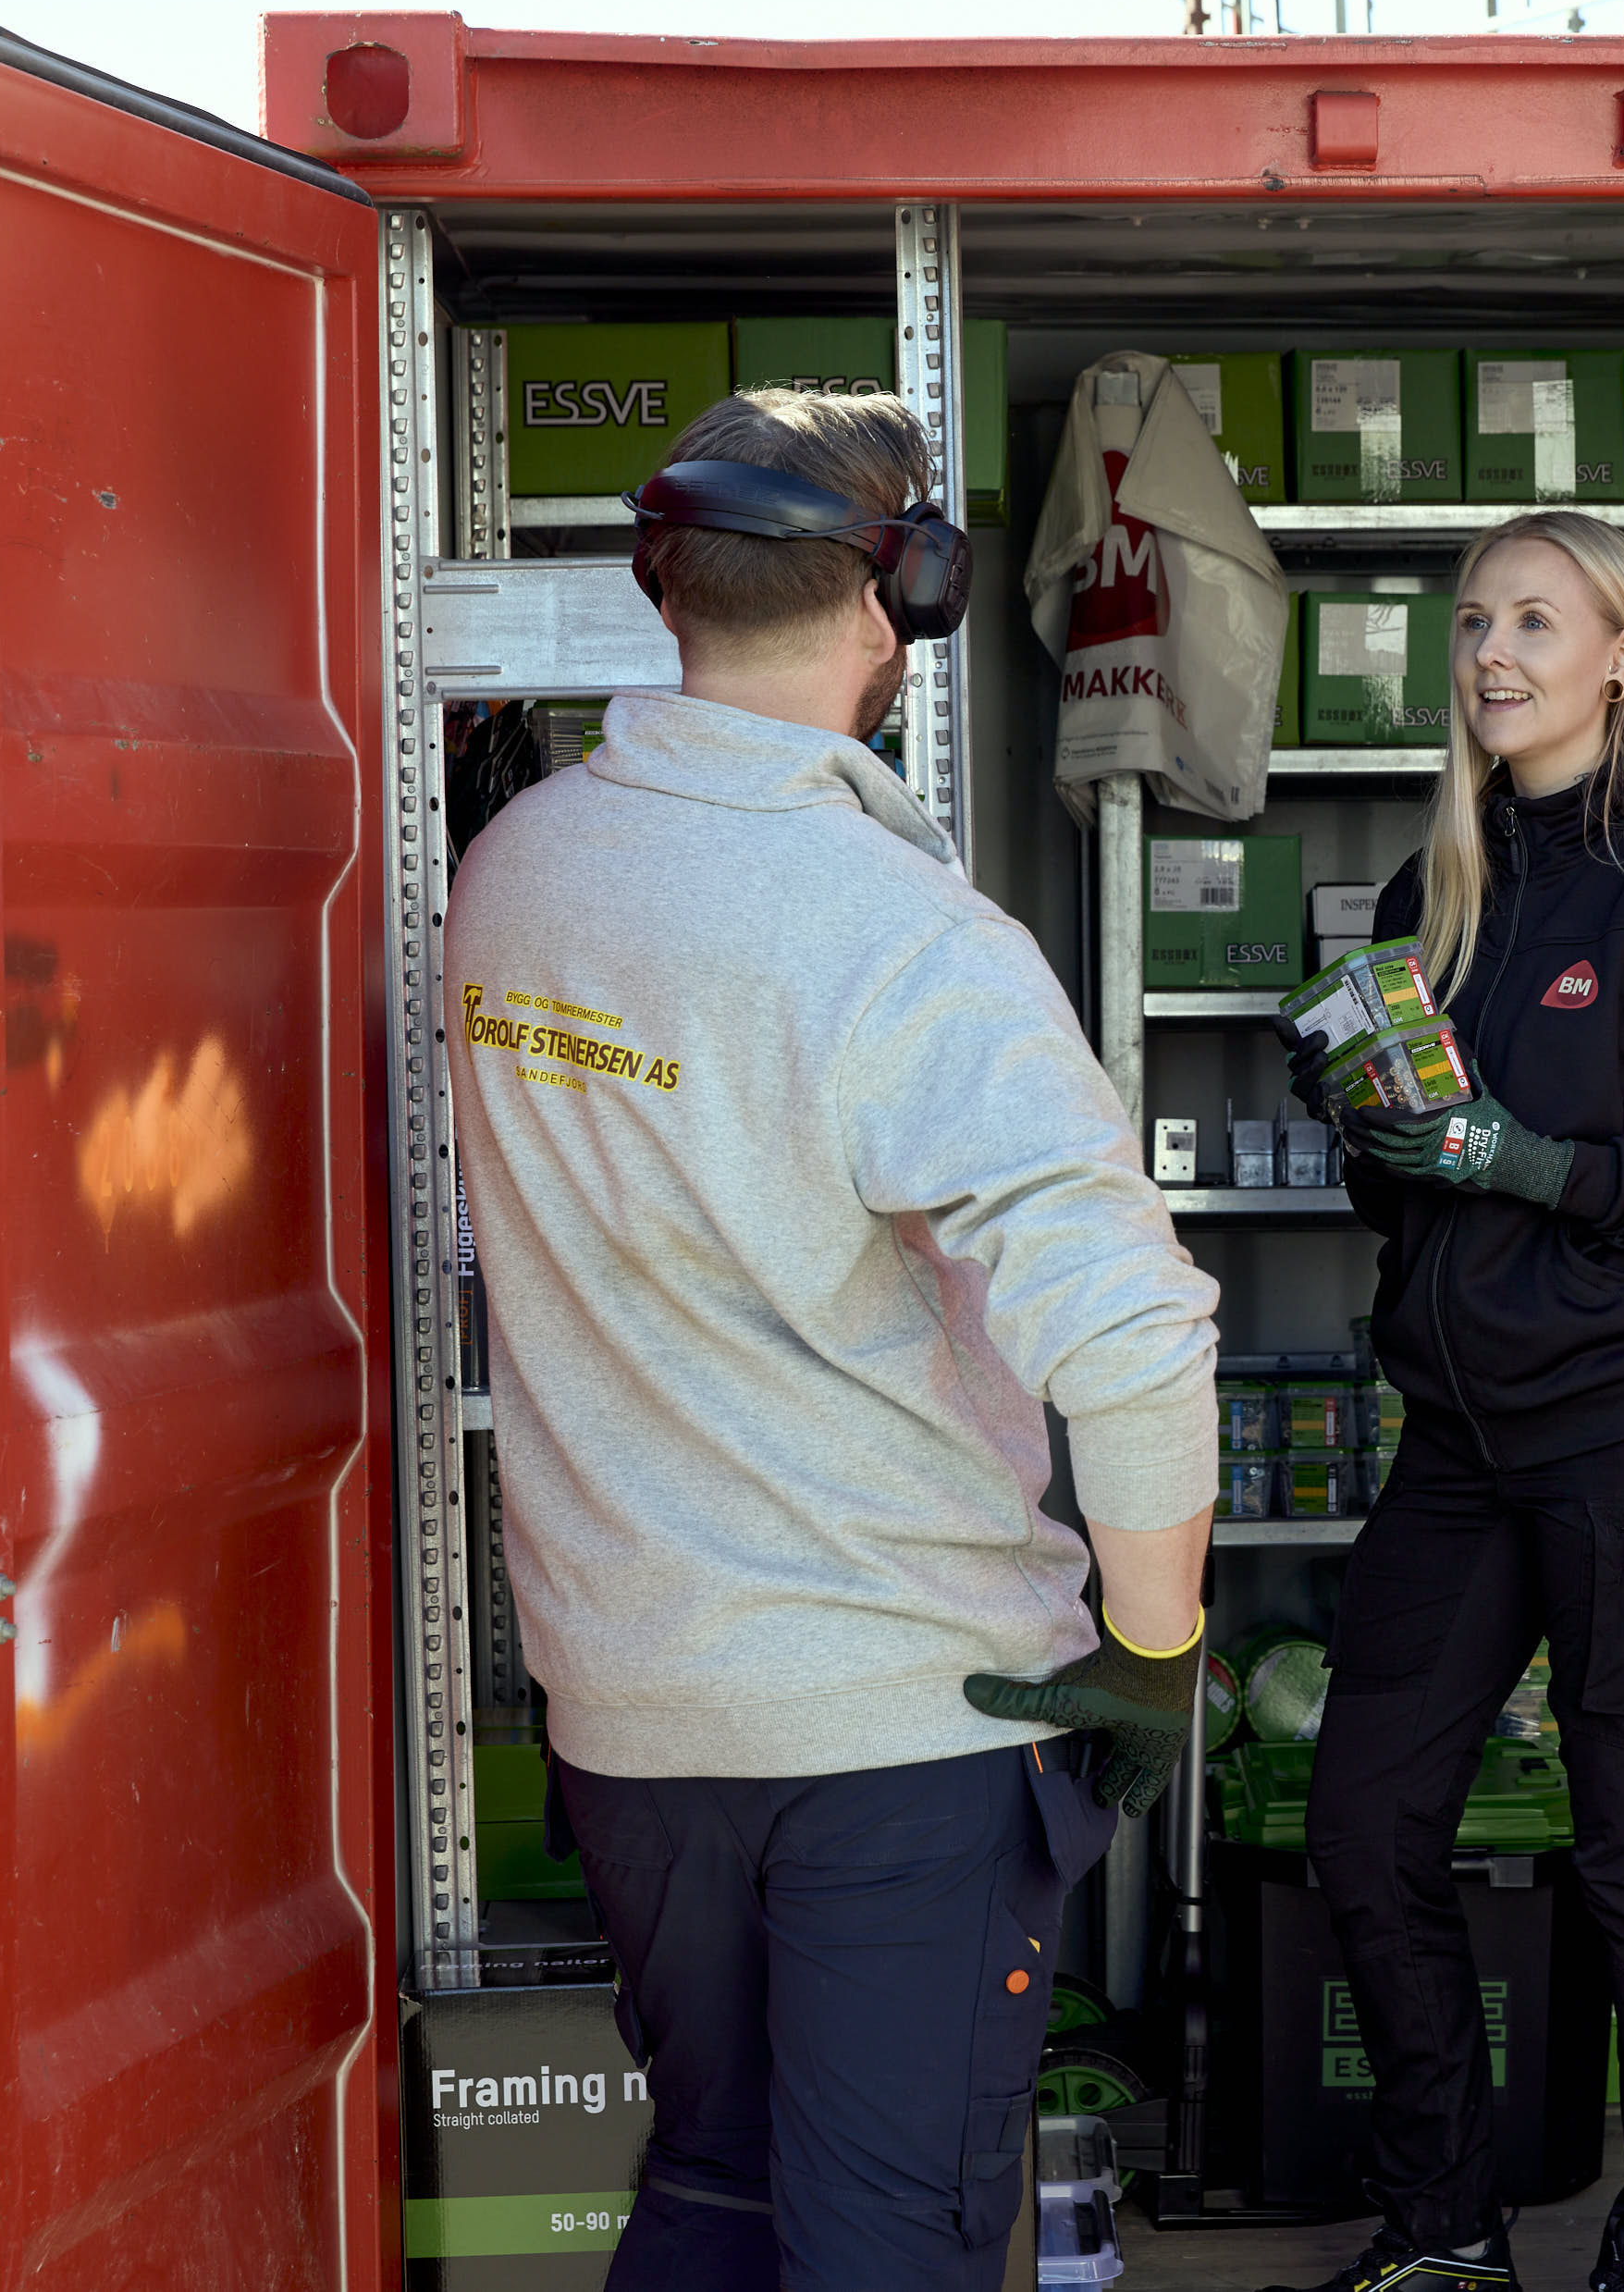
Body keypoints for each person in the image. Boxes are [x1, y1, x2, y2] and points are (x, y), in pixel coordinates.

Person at [446, 387, 1223, 2292]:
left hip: (634, 1711)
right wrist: (1149, 1653)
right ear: (900, 602)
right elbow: (1127, 1334)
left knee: (712, 2183)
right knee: (890, 2240)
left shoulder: (514, 876)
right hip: (898, 1720)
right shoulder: (894, 932)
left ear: (666, 584)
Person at [1273, 511, 1624, 2292]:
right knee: (1364, 1822)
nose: (1491, 654)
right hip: (1462, 1444)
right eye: (1472, 624)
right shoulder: (1427, 896)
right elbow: (1408, 1200)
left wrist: (1526, 1160)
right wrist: (1376, 1123)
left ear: (1622, 653)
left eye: (1533, 620)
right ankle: (1443, 2226)